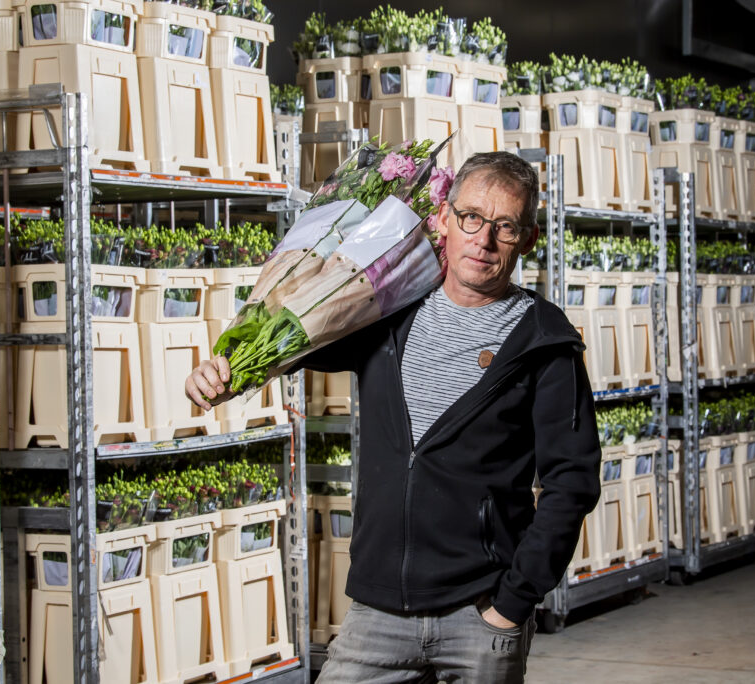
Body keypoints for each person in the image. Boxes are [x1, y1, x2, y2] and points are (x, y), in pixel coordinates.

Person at [186, 151, 601, 683]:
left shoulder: (544, 342)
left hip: (479, 614)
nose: (484, 238)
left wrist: (513, 602)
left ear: (528, 239)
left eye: (505, 226)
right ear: (444, 221)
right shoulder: (384, 313)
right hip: (376, 612)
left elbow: (573, 483)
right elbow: (291, 345)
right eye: (472, 218)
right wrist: (222, 372)